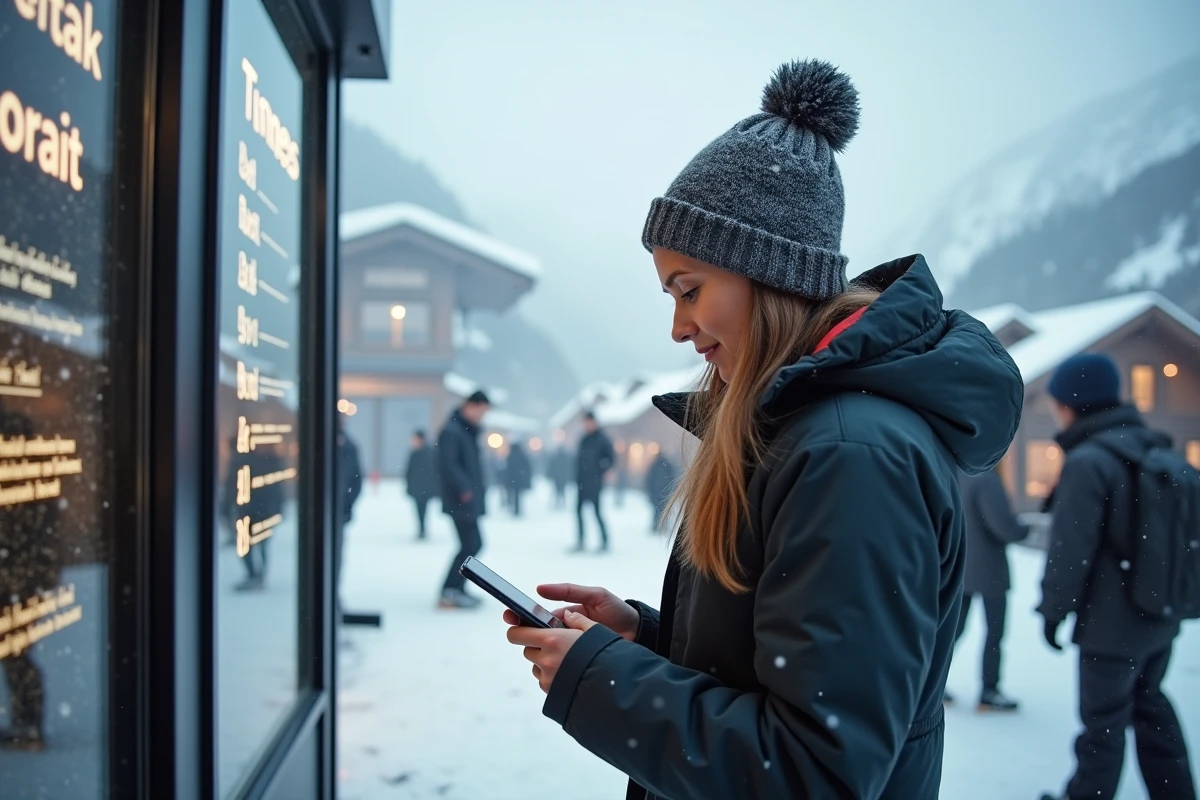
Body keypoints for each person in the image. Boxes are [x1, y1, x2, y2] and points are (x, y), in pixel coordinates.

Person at [499, 59, 1023, 799]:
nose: (678, 327)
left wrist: (604, 682)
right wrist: (645, 643)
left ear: (770, 273)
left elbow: (816, 771)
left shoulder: (849, 456)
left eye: (689, 290)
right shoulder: (798, 432)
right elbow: (775, 676)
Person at [1037, 354, 1196, 800]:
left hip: (1109, 629)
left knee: (1101, 727)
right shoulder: (1153, 448)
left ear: (1071, 402)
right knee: (1151, 709)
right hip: (1157, 615)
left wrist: (1053, 610)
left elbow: (1070, 552)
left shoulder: (1089, 461)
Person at [0, 405, 59, 752]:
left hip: (18, 576)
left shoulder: (21, 476)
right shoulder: (33, 472)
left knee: (16, 650)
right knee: (16, 649)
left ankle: (29, 723)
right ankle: (28, 721)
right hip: (24, 575)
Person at [946, 466, 1027, 711]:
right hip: (989, 571)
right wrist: (1024, 529)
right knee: (994, 633)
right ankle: (989, 691)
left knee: (952, 632)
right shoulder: (987, 481)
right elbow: (1004, 527)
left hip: (961, 567)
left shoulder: (954, 475)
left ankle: (931, 683)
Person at [436, 391, 490, 609]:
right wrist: (464, 488)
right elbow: (448, 465)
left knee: (471, 544)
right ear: (470, 406)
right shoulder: (452, 431)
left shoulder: (466, 431)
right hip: (460, 499)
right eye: (481, 411)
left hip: (468, 497)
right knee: (471, 544)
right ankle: (450, 590)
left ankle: (457, 589)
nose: (481, 417)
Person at [573, 412, 614, 552]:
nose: (587, 425)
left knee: (597, 512)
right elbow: (579, 461)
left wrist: (600, 470)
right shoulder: (583, 439)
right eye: (585, 422)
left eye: (589, 422)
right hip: (581, 483)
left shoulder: (602, 439)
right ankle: (580, 541)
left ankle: (605, 541)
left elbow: (611, 459)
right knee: (578, 511)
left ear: (595, 422)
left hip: (595, 483)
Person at [334, 416, 363, 604]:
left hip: (338, 510)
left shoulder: (348, 446)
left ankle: (332, 594)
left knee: (335, 555)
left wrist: (346, 504)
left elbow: (356, 479)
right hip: (331, 510)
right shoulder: (339, 445)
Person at [404, 430, 437, 540]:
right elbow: (409, 471)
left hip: (424, 488)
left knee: (422, 509)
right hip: (417, 487)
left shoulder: (428, 453)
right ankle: (421, 529)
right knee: (419, 509)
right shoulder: (415, 453)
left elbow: (433, 472)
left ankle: (422, 529)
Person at [644, 451, 678, 534]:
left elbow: (650, 479)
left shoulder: (656, 465)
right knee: (663, 510)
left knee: (657, 510)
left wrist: (650, 490)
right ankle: (661, 526)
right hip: (664, 492)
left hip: (658, 492)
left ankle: (656, 526)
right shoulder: (666, 465)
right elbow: (672, 479)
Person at [504, 441, 533, 517]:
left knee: (513, 495)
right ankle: (517, 509)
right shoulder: (521, 455)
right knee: (517, 495)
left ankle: (515, 509)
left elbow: (508, 469)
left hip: (513, 479)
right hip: (519, 479)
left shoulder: (511, 455)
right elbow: (527, 467)